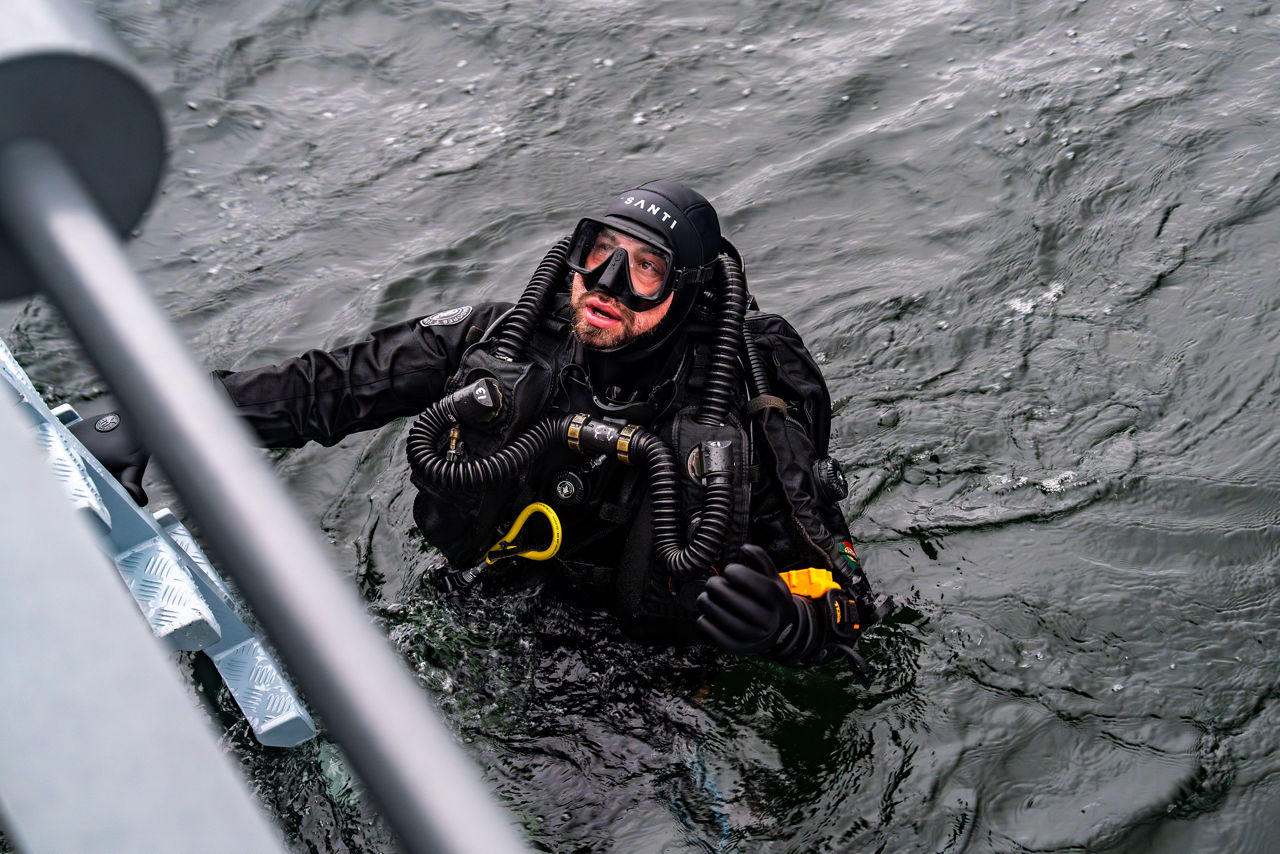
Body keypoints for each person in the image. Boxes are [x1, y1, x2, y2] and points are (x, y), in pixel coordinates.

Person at [200, 180, 890, 676]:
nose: (608, 284)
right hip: (482, 612)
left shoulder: (730, 426)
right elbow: (332, 387)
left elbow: (853, 599)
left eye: (645, 269)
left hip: (644, 686)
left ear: (689, 294)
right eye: (599, 253)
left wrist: (789, 625)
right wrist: (182, 413)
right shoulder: (502, 344)